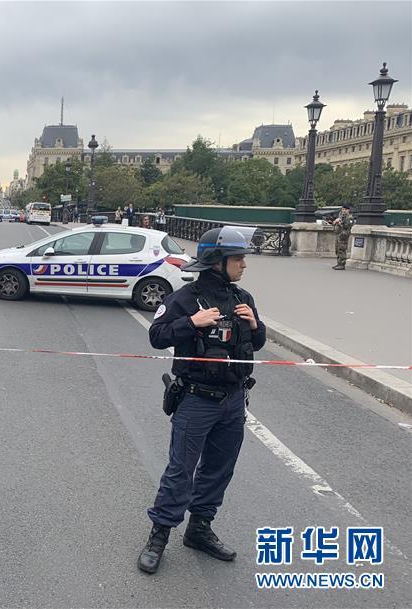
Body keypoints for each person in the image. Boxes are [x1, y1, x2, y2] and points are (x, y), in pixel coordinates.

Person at [138, 226, 267, 575]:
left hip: (233, 400)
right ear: (217, 262)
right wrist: (191, 323)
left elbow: (255, 344)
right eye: (238, 259)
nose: (244, 265)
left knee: (218, 470)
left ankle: (199, 529)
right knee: (181, 471)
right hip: (196, 400)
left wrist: (255, 326)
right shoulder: (185, 299)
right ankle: (159, 535)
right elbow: (156, 335)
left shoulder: (243, 298)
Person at [331, 204, 354, 270]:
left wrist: (339, 222)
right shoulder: (341, 217)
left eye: (345, 209)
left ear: (348, 210)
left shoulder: (349, 218)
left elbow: (347, 226)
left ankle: (342, 264)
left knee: (342, 249)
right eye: (343, 209)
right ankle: (339, 263)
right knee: (338, 249)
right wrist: (335, 222)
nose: (343, 211)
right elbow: (334, 223)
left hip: (344, 235)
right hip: (339, 234)